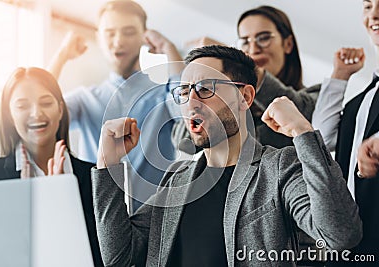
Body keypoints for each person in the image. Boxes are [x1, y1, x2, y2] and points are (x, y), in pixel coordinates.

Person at [91, 45, 362, 266]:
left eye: (206, 89)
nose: (192, 101)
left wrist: (303, 132)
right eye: (184, 92)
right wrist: (108, 164)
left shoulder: (280, 167)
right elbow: (119, 258)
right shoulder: (176, 180)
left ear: (244, 96)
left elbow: (340, 235)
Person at [48, 0, 183, 211]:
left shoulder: (164, 94)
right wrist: (61, 56)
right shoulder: (85, 100)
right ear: (98, 38)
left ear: (144, 37)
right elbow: (41, 111)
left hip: (156, 223)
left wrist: (171, 51)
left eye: (128, 32)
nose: (118, 41)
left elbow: (187, 112)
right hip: (97, 219)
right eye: (110, 33)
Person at [0, 67, 103, 267]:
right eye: (22, 106)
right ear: (10, 114)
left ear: (60, 109)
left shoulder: (95, 176)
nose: (36, 113)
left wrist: (62, 198)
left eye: (46, 103)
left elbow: (106, 256)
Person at [181, 6, 319, 150]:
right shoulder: (231, 104)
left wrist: (233, 62)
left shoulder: (315, 95)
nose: (253, 49)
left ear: (288, 44)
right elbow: (186, 144)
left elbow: (301, 118)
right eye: (245, 41)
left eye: (264, 38)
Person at [312, 1, 379, 265]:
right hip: (350, 243)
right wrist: (340, 76)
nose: (373, 14)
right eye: (367, 5)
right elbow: (322, 138)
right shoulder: (365, 97)